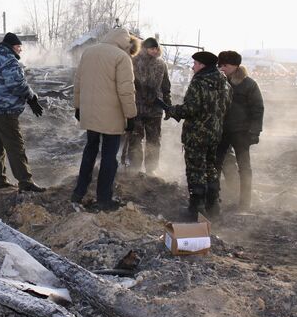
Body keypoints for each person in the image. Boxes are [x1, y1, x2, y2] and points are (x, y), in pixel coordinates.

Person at [71, 28, 137, 210]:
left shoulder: (89, 52)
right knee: (109, 157)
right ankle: (103, 199)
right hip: (111, 117)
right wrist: (130, 115)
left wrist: (78, 106)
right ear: (125, 41)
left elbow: (78, 82)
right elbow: (126, 90)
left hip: (90, 114)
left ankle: (78, 192)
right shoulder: (122, 57)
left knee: (89, 151)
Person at [164, 51, 231, 219]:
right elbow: (226, 107)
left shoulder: (199, 82)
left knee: (195, 171)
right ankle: (213, 207)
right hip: (215, 134)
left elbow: (190, 109)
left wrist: (173, 110)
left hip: (197, 135)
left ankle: (196, 209)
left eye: (195, 63)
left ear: (202, 65)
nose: (193, 66)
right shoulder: (224, 82)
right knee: (211, 168)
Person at [0, 32, 45, 193]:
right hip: (5, 109)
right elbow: (16, 84)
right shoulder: (8, 60)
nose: (20, 50)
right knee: (15, 145)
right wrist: (31, 97)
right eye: (19, 47)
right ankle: (25, 182)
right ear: (12, 47)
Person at [215, 51, 264, 211]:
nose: (222, 68)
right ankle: (216, 199)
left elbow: (258, 109)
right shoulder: (218, 82)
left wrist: (254, 132)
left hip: (241, 133)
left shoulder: (249, 84)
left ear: (235, 66)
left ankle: (244, 203)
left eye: (225, 65)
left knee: (244, 167)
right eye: (220, 65)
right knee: (217, 164)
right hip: (221, 131)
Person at [121, 37, 171, 174]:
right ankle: (135, 168)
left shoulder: (161, 64)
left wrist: (168, 106)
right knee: (135, 139)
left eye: (156, 48)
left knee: (154, 141)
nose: (155, 51)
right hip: (137, 108)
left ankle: (151, 169)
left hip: (155, 110)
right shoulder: (133, 61)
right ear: (144, 48)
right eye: (151, 48)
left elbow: (166, 87)